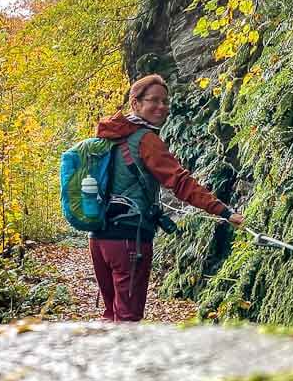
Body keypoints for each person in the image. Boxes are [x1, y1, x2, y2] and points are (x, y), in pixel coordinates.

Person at [89, 74, 244, 322]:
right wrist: (225, 212)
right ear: (135, 103)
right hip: (129, 239)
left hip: (98, 238)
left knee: (112, 315)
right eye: (154, 100)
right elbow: (180, 182)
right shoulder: (146, 140)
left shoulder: (109, 137)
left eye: (165, 101)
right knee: (127, 320)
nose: (162, 107)